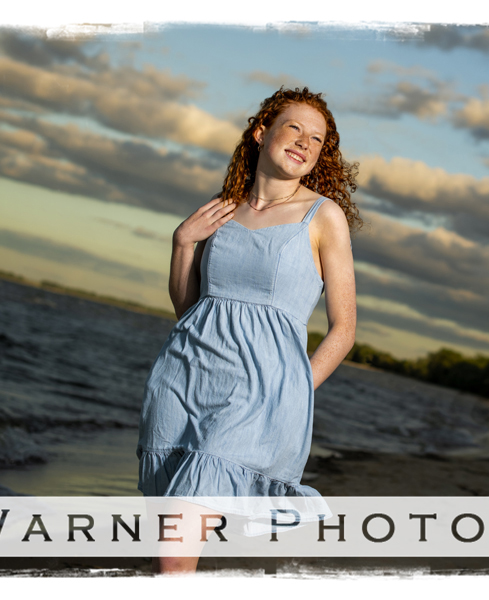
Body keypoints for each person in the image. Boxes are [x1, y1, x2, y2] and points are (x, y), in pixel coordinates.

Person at [136, 87, 359, 574]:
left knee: (176, 547)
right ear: (262, 132)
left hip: (260, 395)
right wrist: (182, 243)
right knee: (171, 543)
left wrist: (293, 389)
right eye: (294, 128)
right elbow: (190, 309)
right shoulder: (223, 209)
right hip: (186, 378)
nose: (304, 142)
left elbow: (343, 329)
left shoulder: (323, 216)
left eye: (317, 139)